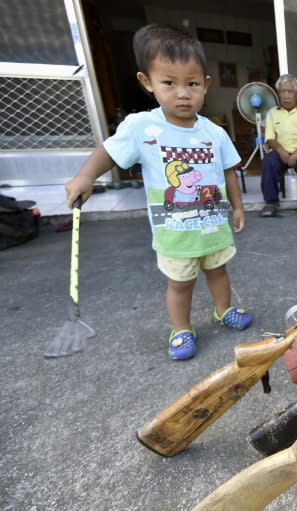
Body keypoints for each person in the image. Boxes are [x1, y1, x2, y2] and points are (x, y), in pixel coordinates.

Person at [63, 24, 252, 361]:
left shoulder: (215, 133)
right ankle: (181, 329)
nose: (182, 93)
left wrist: (237, 207)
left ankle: (223, 310)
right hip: (174, 235)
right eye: (169, 82)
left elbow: (228, 172)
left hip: (213, 230)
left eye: (192, 84)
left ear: (205, 85)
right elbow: (108, 153)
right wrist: (85, 176)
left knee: (219, 272)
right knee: (180, 284)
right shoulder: (141, 127)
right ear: (147, 82)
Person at [259, 74, 297, 217]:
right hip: (281, 152)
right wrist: (280, 151)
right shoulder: (272, 113)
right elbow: (269, 139)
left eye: (289, 91)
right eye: (282, 91)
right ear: (278, 94)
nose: (286, 95)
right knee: (268, 161)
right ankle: (271, 203)